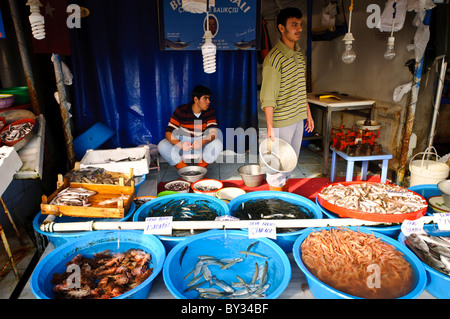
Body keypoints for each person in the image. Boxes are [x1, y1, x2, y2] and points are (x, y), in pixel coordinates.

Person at [260, 7, 314, 191]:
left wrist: (308, 114)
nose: (299, 29)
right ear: (282, 28)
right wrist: (269, 127)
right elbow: (268, 98)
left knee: (290, 163)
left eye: (300, 24)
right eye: (294, 25)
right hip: (281, 122)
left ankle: (285, 199)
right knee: (277, 167)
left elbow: (301, 88)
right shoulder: (274, 59)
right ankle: (275, 205)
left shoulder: (299, 55)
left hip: (298, 118)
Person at [158, 85, 223, 170]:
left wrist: (203, 141)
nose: (208, 101)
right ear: (196, 99)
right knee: (162, 145)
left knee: (217, 144)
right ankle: (185, 171)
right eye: (205, 98)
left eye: (209, 98)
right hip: (184, 144)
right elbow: (168, 133)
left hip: (200, 143)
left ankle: (199, 171)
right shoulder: (181, 110)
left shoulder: (209, 111)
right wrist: (180, 144)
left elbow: (213, 133)